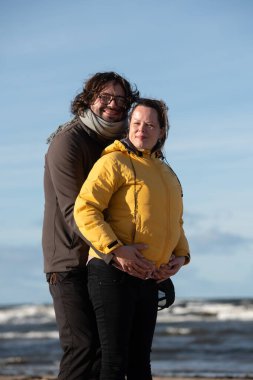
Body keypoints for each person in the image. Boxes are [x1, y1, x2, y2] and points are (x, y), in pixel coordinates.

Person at [74, 98, 191, 380]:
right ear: (129, 125)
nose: (141, 130)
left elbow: (174, 222)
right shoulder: (113, 161)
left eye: (150, 124)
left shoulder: (167, 172)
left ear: (162, 131)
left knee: (141, 364)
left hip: (149, 276)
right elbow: (85, 209)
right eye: (136, 123)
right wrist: (115, 250)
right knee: (114, 362)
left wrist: (179, 257)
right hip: (111, 272)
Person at [42, 71, 143, 380]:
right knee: (82, 348)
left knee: (107, 351)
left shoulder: (121, 144)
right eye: (105, 97)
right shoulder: (67, 141)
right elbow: (75, 210)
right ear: (88, 100)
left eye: (121, 100)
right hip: (70, 261)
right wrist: (114, 250)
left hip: (104, 260)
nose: (113, 105)